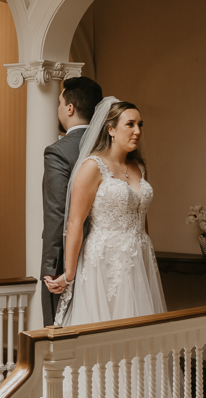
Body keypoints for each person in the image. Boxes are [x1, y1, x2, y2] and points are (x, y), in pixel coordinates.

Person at [45, 98, 167, 326]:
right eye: (130, 124)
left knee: (140, 329)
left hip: (140, 255)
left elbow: (141, 216)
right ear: (111, 129)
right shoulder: (93, 166)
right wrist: (69, 274)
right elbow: (75, 222)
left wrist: (145, 250)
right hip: (104, 260)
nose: (137, 131)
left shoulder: (139, 167)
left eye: (140, 125)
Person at [40, 76, 103, 327]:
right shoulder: (113, 148)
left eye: (59, 102)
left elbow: (57, 216)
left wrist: (51, 268)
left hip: (71, 264)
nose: (57, 109)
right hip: (110, 257)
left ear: (70, 108)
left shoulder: (59, 151)